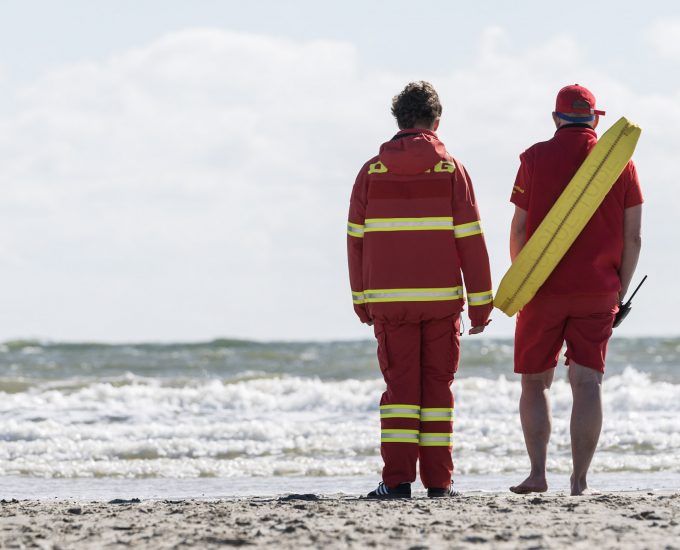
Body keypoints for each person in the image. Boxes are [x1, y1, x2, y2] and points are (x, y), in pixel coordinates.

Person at [347, 81, 493, 499]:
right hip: (442, 301)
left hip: (390, 304)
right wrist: (482, 305)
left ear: (399, 121)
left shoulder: (370, 172)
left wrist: (362, 299)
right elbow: (471, 240)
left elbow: (355, 240)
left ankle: (396, 483)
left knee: (400, 395)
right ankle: (440, 484)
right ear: (436, 121)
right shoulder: (451, 170)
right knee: (437, 393)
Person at [508, 84, 643, 496]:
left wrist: (523, 281)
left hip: (542, 287)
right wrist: (618, 293)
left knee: (535, 383)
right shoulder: (622, 163)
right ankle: (579, 482)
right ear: (595, 119)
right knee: (588, 383)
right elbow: (633, 237)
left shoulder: (533, 158)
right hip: (598, 289)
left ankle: (537, 475)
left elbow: (518, 228)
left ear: (556, 118)